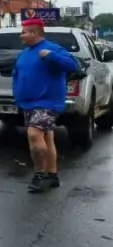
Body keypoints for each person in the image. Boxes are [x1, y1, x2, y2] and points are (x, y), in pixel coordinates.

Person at [13, 18, 79, 193]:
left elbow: (73, 65)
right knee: (46, 138)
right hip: (28, 103)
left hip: (48, 102)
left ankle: (40, 174)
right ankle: (52, 175)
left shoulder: (52, 48)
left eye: (24, 32)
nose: (21, 35)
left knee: (34, 134)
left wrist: (50, 56)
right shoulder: (24, 53)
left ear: (34, 33)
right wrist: (17, 94)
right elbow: (17, 75)